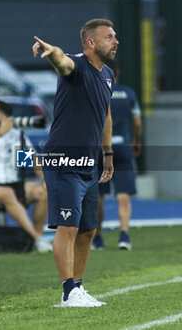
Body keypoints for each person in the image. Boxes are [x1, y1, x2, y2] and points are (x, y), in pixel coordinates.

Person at [32, 18, 118, 307]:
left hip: (89, 162)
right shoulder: (76, 65)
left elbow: (105, 116)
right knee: (67, 228)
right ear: (91, 42)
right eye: (109, 37)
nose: (116, 41)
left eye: (115, 36)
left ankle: (78, 287)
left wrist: (106, 154)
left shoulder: (108, 74)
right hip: (63, 159)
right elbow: (61, 61)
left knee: (87, 229)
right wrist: (52, 52)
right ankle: (68, 291)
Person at [92, 60, 142, 251]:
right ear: (118, 72)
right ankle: (124, 235)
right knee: (123, 196)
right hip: (123, 147)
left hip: (100, 148)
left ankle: (98, 237)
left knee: (99, 196)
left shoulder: (97, 92)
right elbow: (137, 122)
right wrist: (137, 141)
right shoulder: (128, 93)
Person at [0, 99, 53, 252]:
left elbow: (31, 159)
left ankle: (35, 240)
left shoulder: (17, 135)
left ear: (4, 117)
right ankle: (37, 238)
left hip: (14, 183)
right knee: (6, 193)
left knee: (42, 192)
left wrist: (45, 180)